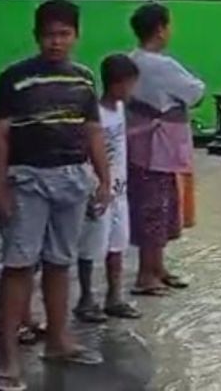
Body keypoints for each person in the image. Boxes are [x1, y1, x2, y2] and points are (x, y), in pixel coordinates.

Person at [0, 0, 111, 391]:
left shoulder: (84, 79)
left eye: (63, 34)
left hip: (72, 179)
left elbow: (92, 131)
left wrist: (104, 180)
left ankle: (58, 340)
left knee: (60, 261)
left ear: (76, 36)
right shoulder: (14, 79)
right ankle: (8, 360)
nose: (56, 42)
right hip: (26, 180)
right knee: (19, 265)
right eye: (48, 35)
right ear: (36, 36)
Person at [125, 2, 205, 296]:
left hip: (139, 145)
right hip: (159, 148)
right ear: (160, 29)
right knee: (154, 210)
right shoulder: (161, 65)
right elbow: (196, 92)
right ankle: (146, 275)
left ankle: (157, 267)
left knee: (154, 206)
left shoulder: (132, 60)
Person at [74, 54, 142, 323]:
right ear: (117, 84)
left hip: (119, 190)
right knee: (90, 246)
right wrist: (95, 185)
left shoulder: (120, 110)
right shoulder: (96, 114)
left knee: (118, 243)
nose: (132, 90)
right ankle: (86, 298)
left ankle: (114, 297)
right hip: (98, 190)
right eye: (130, 84)